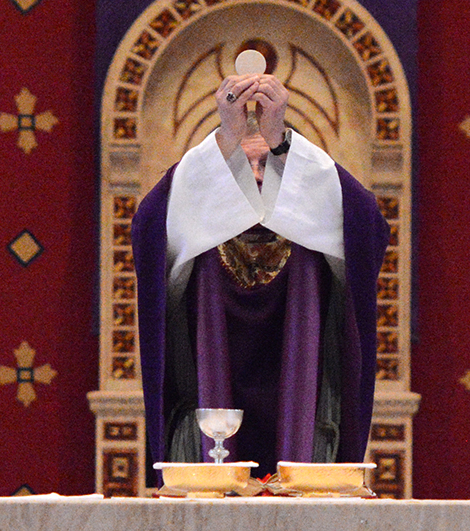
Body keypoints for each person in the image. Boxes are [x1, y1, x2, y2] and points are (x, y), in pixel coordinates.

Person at [132, 72, 389, 481]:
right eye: (242, 162)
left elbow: (366, 225)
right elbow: (150, 224)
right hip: (204, 437)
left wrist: (281, 139)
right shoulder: (197, 232)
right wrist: (225, 135)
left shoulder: (314, 230)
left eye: (267, 162)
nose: (256, 174)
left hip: (309, 429)